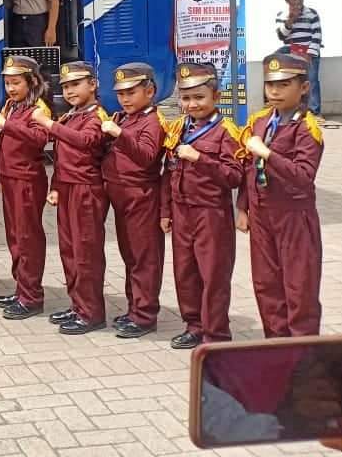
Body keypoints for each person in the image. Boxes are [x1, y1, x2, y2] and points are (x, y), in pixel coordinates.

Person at [238, 52, 324, 338]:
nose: (274, 91)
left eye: (284, 84)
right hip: (262, 213)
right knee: (266, 284)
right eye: (270, 84)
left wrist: (268, 154)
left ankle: (303, 352)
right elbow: (248, 166)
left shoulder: (307, 127)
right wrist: (243, 207)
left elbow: (304, 176)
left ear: (304, 87)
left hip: (293, 215)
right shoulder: (260, 121)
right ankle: (275, 346)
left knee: (300, 287)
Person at [160, 62, 245, 349]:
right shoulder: (178, 128)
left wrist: (200, 159)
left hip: (211, 213)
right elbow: (169, 172)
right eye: (186, 98)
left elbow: (234, 176)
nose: (192, 104)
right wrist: (166, 211)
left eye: (199, 97)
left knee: (213, 274)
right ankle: (194, 326)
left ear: (216, 97)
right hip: (182, 211)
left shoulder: (226, 131)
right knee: (185, 272)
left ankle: (216, 334)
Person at [33, 61, 108, 335]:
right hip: (68, 188)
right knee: (70, 251)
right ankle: (78, 305)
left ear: (93, 84)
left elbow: (85, 141)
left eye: (76, 84)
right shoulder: (73, 115)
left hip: (86, 190)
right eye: (65, 87)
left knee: (86, 253)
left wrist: (49, 124)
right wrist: (55, 185)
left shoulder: (97, 116)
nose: (69, 91)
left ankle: (91, 313)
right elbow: (62, 158)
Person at [100, 63, 167, 339]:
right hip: (122, 197)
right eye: (121, 94)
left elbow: (147, 156)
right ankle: (134, 308)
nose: (125, 99)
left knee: (144, 258)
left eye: (131, 92)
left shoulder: (152, 121)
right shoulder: (126, 118)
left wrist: (120, 134)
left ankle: (145, 315)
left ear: (149, 91)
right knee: (130, 256)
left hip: (141, 197)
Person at [0, 55, 50, 321]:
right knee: (14, 236)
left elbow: (39, 139)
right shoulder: (12, 106)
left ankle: (32, 297)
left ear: (32, 82)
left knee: (28, 238)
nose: (11, 88)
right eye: (7, 83)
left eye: (16, 83)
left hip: (27, 180)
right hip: (10, 178)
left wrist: (7, 125)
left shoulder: (38, 108)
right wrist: (1, 178)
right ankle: (21, 288)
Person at [276, 0, 323, 114]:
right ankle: (288, 107)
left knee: (311, 79)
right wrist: (291, 20)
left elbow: (317, 35)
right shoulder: (281, 15)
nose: (298, 2)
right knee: (285, 75)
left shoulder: (311, 13)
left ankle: (314, 111)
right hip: (291, 50)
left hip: (308, 50)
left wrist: (309, 54)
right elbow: (281, 36)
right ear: (287, 0)